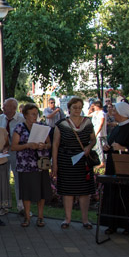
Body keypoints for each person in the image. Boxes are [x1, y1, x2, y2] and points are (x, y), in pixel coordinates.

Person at [99, 102, 129, 234]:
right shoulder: (117, 128)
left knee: (126, 195)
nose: (113, 114)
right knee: (112, 194)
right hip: (113, 166)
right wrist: (107, 148)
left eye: (115, 112)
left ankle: (127, 225)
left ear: (123, 113)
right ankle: (112, 224)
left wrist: (124, 148)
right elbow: (112, 144)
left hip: (127, 168)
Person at [52, 98, 96, 229]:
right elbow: (55, 145)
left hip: (83, 161)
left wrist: (89, 147)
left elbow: (93, 140)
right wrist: (55, 164)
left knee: (84, 191)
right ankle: (67, 219)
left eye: (79, 107)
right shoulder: (61, 124)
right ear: (69, 108)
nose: (77, 109)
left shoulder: (87, 122)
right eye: (74, 107)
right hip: (66, 160)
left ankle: (85, 220)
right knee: (68, 191)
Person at [11, 103, 52, 228]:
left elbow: (49, 143)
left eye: (36, 114)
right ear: (25, 115)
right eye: (32, 114)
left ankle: (40, 217)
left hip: (40, 164)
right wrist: (28, 145)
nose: (35, 116)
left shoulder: (42, 126)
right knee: (27, 192)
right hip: (26, 165)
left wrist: (44, 146)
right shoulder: (19, 128)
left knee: (42, 191)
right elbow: (14, 146)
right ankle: (27, 217)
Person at [1, 98, 24, 212]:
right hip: (3, 152)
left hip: (17, 152)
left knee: (19, 179)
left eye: (5, 106)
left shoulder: (21, 119)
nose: (3, 108)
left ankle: (21, 206)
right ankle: (4, 205)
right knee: (3, 179)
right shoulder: (0, 119)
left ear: (14, 108)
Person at [88, 101, 107, 168]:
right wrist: (90, 108)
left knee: (100, 148)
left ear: (97, 106)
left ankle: (102, 162)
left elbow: (101, 124)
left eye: (94, 106)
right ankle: (102, 161)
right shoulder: (96, 113)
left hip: (100, 134)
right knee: (99, 148)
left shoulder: (102, 113)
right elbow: (88, 115)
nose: (94, 108)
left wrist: (97, 133)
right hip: (96, 133)